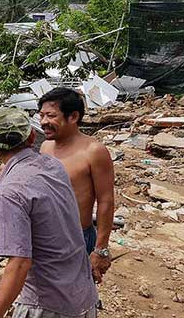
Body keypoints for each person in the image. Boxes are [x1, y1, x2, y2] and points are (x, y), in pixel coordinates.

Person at [0, 107, 98, 318]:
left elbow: (19, 263)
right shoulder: (53, 166)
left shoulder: (10, 192)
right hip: (83, 295)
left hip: (48, 305)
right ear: (32, 136)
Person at [38, 87, 115, 283]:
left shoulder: (94, 151)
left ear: (73, 117)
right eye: (41, 115)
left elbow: (106, 201)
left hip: (77, 238)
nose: (43, 122)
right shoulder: (45, 147)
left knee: (76, 295)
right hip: (45, 236)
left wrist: (101, 249)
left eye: (51, 115)